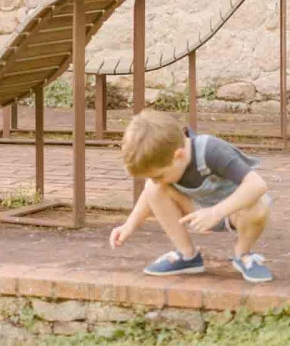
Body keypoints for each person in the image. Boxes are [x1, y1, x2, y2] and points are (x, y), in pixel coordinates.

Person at [110, 108, 273, 283]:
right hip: (197, 211)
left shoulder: (212, 150)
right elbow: (149, 193)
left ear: (178, 155)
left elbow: (257, 185)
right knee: (152, 189)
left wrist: (215, 212)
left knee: (259, 205)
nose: (157, 181)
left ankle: (243, 254)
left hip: (235, 213)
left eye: (159, 175)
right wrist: (129, 225)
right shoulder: (169, 162)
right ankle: (187, 255)